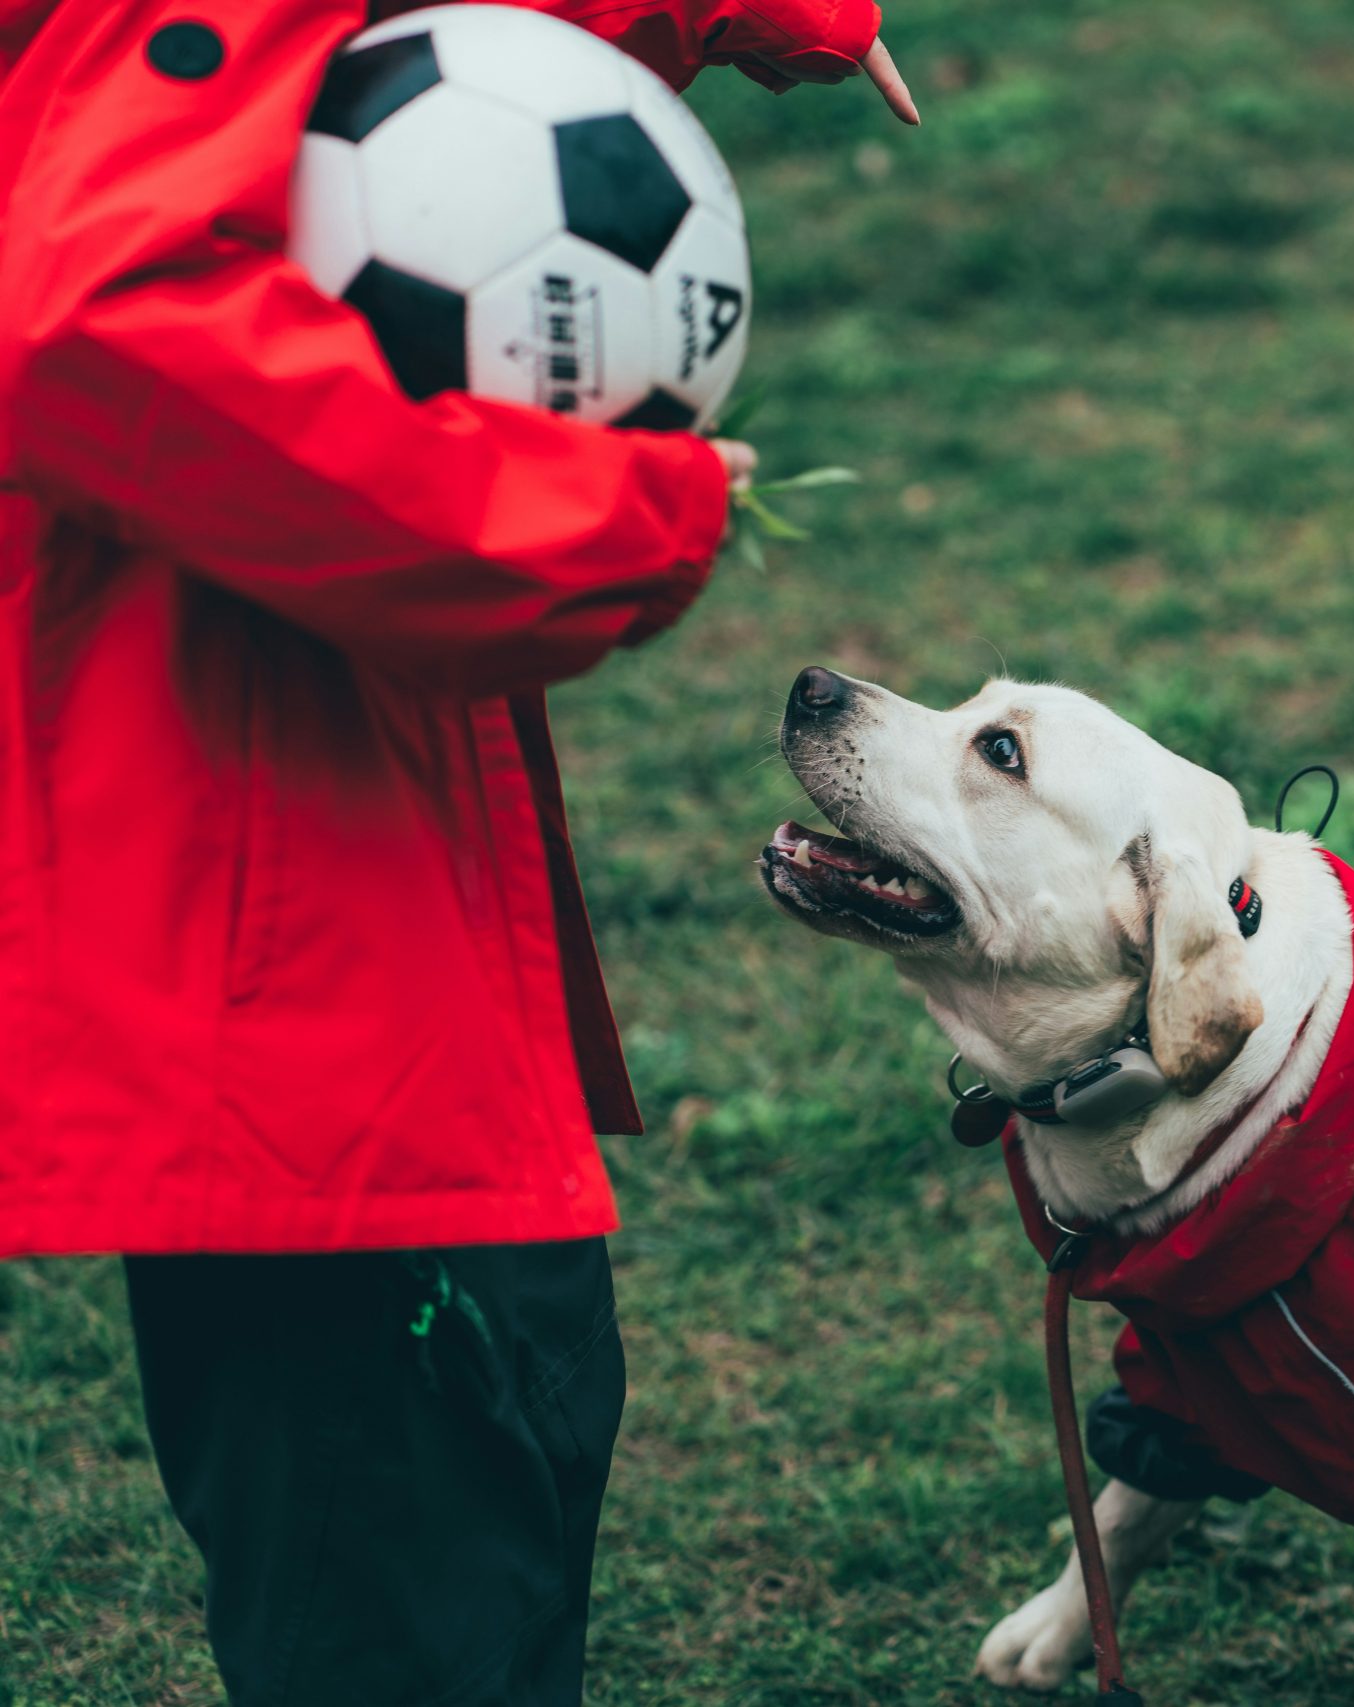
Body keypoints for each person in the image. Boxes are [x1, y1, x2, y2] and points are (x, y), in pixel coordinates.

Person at [0, 3, 915, 1700]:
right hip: (301, 954)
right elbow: (90, 319)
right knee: (416, 1572)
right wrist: (591, 522)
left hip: (363, 909)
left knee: (510, 1461)